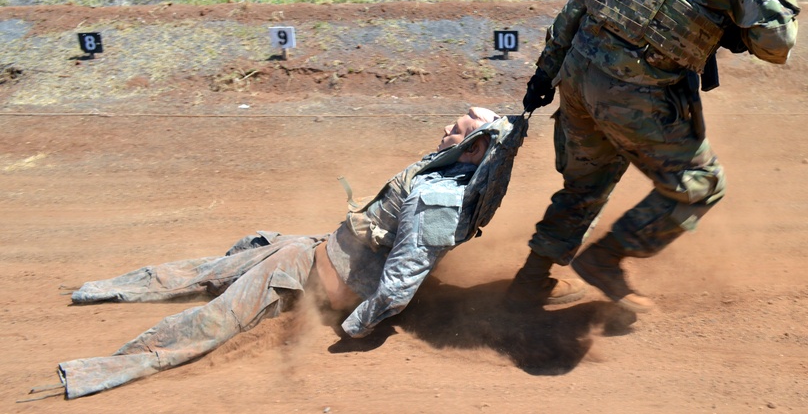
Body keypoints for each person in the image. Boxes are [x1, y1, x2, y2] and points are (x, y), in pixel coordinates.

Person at [505, 0, 808, 313]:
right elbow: (776, 44)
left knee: (586, 184)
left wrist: (545, 73)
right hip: (634, 89)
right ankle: (607, 259)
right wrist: (758, 8)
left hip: (579, 73)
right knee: (700, 185)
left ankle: (530, 281)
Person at [44, 107, 522, 400]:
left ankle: (96, 372)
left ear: (475, 148)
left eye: (455, 127)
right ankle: (96, 290)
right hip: (309, 250)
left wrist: (355, 325)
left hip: (307, 276)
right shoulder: (448, 179)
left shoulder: (437, 200)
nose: (444, 127)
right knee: (217, 265)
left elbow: (401, 279)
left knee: (217, 316)